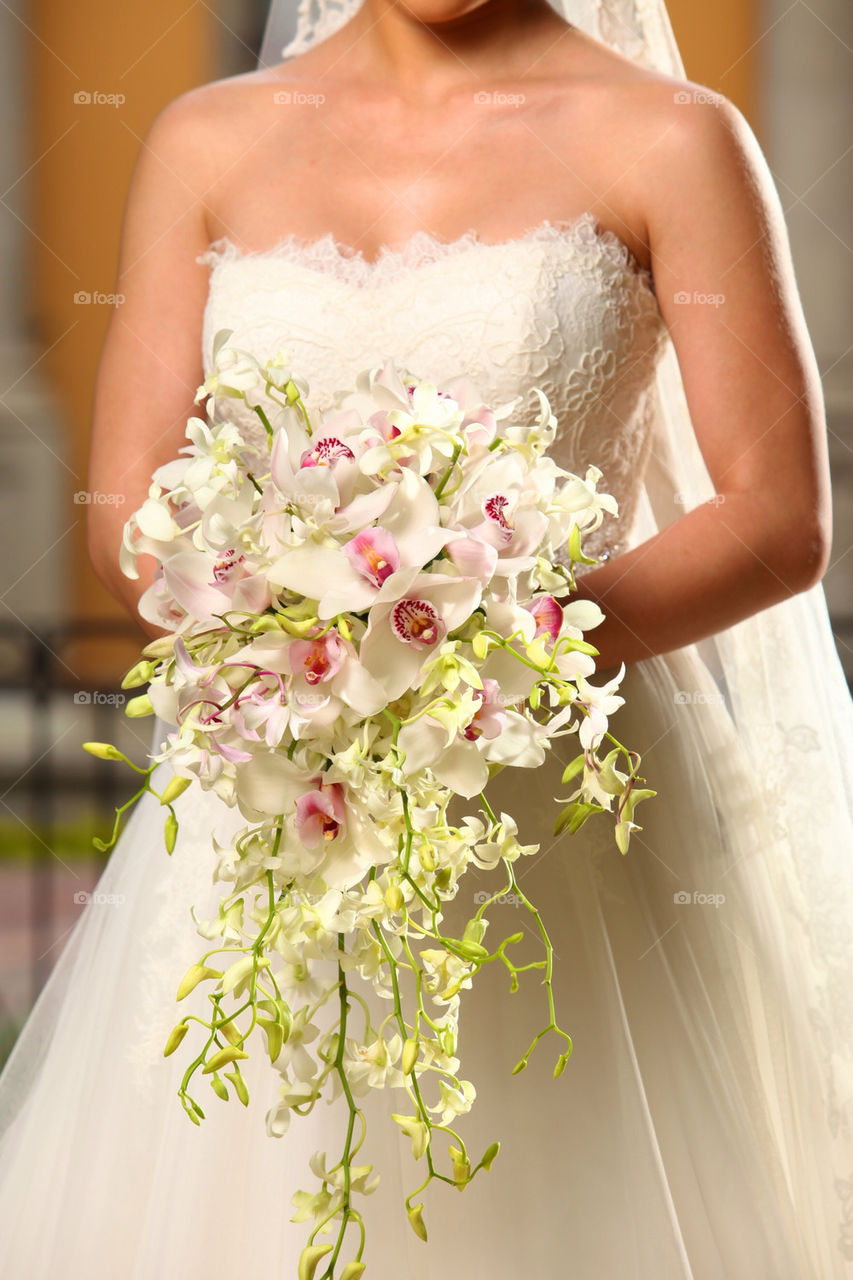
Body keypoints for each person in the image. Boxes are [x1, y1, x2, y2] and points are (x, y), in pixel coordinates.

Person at [1, 1, 852, 1275]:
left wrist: (485, 640)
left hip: (565, 803)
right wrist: (307, 642)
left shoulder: (673, 139)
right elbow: (130, 509)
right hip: (282, 793)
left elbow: (779, 517)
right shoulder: (206, 140)